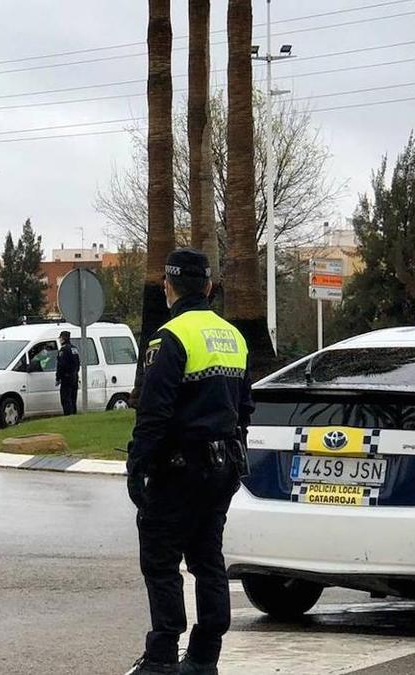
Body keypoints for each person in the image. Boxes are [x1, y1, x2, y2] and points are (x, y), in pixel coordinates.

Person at [124, 248, 253, 675]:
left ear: (169, 286)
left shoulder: (170, 337)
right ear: (210, 287)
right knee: (207, 558)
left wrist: (137, 465)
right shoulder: (233, 337)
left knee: (161, 560)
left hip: (178, 470)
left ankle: (162, 656)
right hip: (223, 469)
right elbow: (245, 408)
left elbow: (153, 411)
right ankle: (204, 655)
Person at [55, 330, 80, 415]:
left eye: (60, 338)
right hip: (75, 377)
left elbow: (61, 365)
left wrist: (58, 378)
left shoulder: (64, 350)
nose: (60, 340)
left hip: (66, 378)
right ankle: (74, 415)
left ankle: (68, 416)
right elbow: (78, 363)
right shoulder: (74, 348)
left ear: (63, 338)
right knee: (73, 399)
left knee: (65, 399)